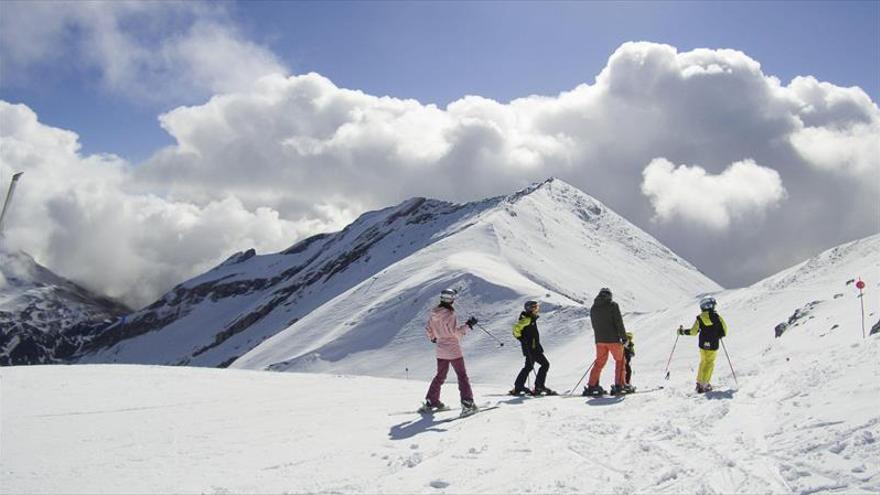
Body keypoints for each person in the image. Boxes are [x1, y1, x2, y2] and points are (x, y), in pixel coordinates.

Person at [420, 288, 479, 414]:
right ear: (451, 299)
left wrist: (434, 338)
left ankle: (431, 401)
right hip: (453, 350)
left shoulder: (434, 313)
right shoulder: (450, 314)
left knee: (440, 376)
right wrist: (468, 325)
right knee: (462, 376)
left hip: (441, 349)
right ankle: (467, 404)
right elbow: (455, 333)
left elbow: (428, 329)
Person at [584, 288, 628, 396]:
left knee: (599, 363)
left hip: (599, 340)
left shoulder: (594, 308)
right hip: (613, 340)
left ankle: (592, 385)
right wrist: (624, 337)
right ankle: (619, 385)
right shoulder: (613, 305)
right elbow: (619, 322)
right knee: (620, 360)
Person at [678, 296, 728, 393]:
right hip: (713, 345)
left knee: (703, 362)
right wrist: (719, 334)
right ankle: (705, 385)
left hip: (702, 344)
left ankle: (699, 383)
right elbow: (724, 331)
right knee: (709, 363)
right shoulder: (717, 317)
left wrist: (682, 332)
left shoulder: (699, 318)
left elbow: (693, 332)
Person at [510, 300, 555, 396]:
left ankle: (519, 386)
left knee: (528, 367)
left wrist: (523, 340)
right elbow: (515, 329)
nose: (536, 309)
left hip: (531, 347)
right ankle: (539, 386)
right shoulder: (528, 319)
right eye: (534, 307)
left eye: (537, 307)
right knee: (545, 365)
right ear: (529, 308)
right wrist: (521, 338)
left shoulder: (530, 319)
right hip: (532, 348)